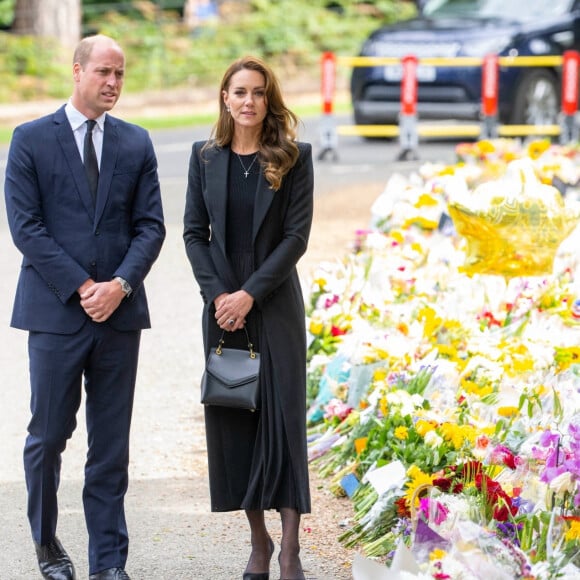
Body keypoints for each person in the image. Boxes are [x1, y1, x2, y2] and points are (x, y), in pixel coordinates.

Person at [4, 35, 165, 580]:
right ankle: (48, 545)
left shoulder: (137, 143)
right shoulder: (29, 140)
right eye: (103, 72)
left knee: (110, 444)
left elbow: (151, 227)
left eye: (120, 73)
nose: (113, 83)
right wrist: (82, 288)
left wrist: (119, 284)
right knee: (48, 436)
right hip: (54, 314)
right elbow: (27, 228)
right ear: (77, 71)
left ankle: (108, 563)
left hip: (120, 315)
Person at [183, 56, 314, 580]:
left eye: (258, 93)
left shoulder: (294, 157)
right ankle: (258, 542)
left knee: (282, 423)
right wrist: (221, 297)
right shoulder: (204, 157)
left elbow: (295, 238)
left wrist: (250, 296)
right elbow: (194, 232)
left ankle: (290, 549)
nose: (248, 101)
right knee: (236, 424)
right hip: (221, 309)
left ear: (268, 100)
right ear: (224, 98)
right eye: (239, 92)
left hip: (275, 303)